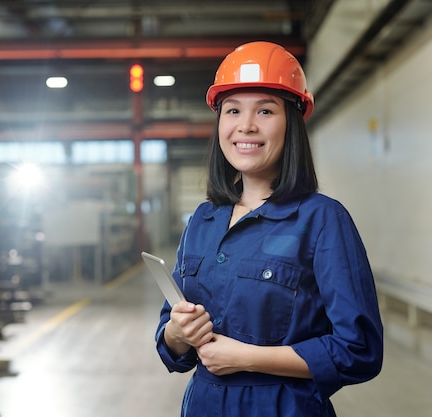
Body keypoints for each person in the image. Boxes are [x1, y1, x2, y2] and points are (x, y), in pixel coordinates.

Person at [155, 41, 383, 417]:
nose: (246, 125)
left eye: (265, 110)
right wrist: (178, 334)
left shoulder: (322, 220)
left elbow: (359, 350)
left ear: (291, 122)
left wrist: (248, 358)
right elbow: (172, 343)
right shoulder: (203, 220)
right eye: (233, 110)